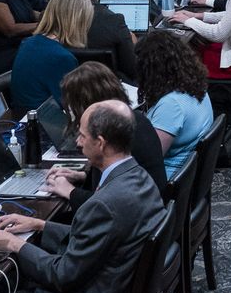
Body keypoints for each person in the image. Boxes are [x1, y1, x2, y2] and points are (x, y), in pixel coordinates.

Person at [0, 100, 166, 293]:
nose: (77, 142)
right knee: (15, 277)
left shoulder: (104, 204)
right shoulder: (141, 177)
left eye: (83, 136)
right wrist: (40, 225)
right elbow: (98, 236)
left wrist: (13, 244)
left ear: (101, 143)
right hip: (115, 285)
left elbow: (62, 277)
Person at [49, 63, 169, 206]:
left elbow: (108, 205)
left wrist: (70, 191)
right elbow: (114, 180)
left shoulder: (118, 133)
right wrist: (82, 176)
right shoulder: (133, 120)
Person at [132, 28, 214, 180]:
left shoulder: (171, 105)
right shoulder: (194, 84)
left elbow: (150, 159)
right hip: (186, 174)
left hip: (168, 180)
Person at [8, 0, 90, 112]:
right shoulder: (62, 58)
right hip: (46, 124)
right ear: (78, 22)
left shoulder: (28, 42)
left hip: (24, 116)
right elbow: (72, 107)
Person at [63, 0, 137, 81]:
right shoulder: (115, 21)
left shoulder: (54, 17)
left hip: (69, 88)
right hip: (110, 89)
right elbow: (132, 69)